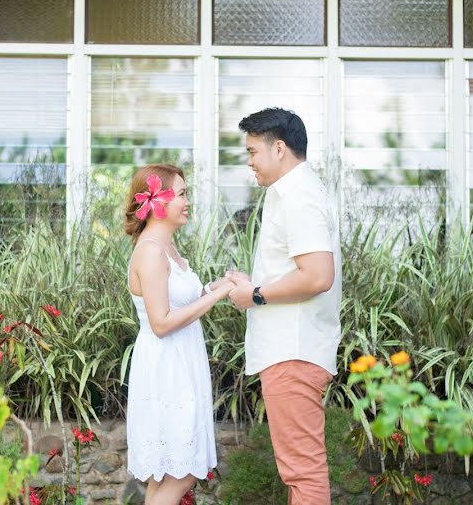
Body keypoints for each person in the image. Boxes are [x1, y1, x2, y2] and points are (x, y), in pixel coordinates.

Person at [226, 108, 342, 505]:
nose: (249, 162)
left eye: (253, 151)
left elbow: (317, 276)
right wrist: (254, 286)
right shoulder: (293, 194)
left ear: (279, 148)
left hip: (293, 351)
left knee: (302, 473)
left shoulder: (299, 196)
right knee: (298, 471)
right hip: (292, 349)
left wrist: (254, 294)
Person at [123, 163, 231, 505]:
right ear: (158, 202)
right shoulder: (151, 252)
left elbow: (182, 300)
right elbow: (162, 322)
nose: (187, 201)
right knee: (182, 472)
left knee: (168, 475)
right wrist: (215, 297)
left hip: (183, 366)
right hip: (166, 371)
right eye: (182, 194)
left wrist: (219, 285)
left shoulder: (167, 247)